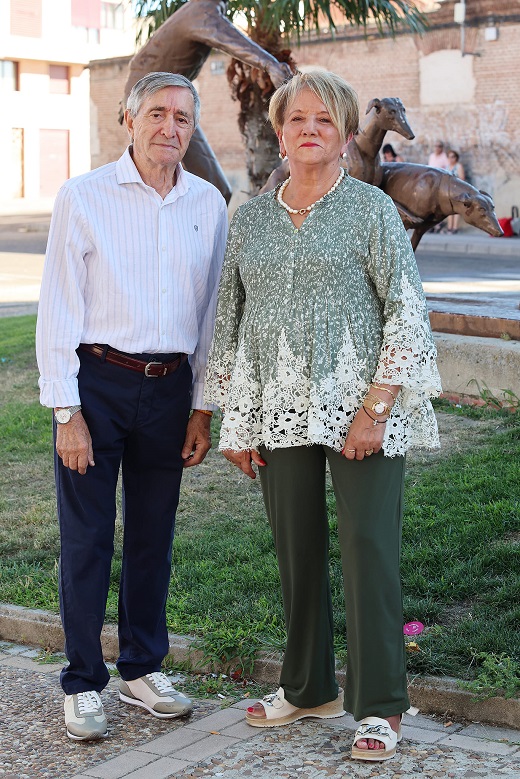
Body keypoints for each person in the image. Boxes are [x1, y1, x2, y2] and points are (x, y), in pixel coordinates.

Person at [205, 70, 441, 762]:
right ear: (279, 134)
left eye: (325, 119)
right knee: (296, 549)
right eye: (296, 119)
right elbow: (229, 322)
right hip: (276, 407)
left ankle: (380, 706)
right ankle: (308, 685)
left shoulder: (371, 210)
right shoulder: (248, 218)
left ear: (342, 134)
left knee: (369, 550)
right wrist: (236, 421)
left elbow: (407, 310)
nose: (309, 129)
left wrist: (375, 407)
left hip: (362, 409)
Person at [36, 72, 228, 741]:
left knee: (153, 537)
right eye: (156, 114)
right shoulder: (84, 197)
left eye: (182, 117)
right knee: (87, 540)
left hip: (170, 389)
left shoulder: (208, 203)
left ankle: (143, 667)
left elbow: (209, 318)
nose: (169, 128)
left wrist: (202, 407)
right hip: (98, 384)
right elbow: (58, 305)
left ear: (192, 128)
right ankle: (83, 680)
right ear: (129, 119)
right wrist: (67, 411)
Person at [120, 0, 292, 202]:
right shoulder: (201, 10)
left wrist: (129, 96)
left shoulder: (199, 9)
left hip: (154, 99)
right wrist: (271, 64)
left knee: (213, 188)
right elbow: (230, 40)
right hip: (153, 101)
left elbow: (145, 58)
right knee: (214, 188)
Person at [446, 150, 466, 233]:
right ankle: (449, 227)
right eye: (449, 157)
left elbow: (462, 178)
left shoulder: (458, 166)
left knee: (456, 209)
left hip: (457, 190)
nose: (451, 159)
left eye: (453, 157)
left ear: (456, 158)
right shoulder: (447, 166)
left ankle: (455, 227)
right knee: (449, 209)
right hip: (449, 190)